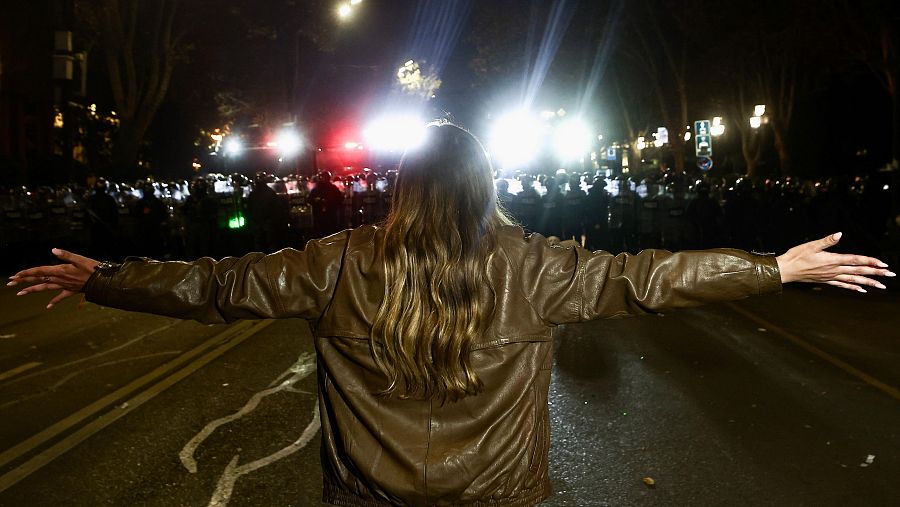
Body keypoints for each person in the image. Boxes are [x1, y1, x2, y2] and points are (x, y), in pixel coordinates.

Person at [8, 122, 894, 507]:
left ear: (403, 189)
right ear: (486, 189)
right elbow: (648, 277)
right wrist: (771, 268)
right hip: (496, 496)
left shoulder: (337, 261)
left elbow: (214, 286)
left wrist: (105, 279)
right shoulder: (536, 266)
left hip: (368, 494)